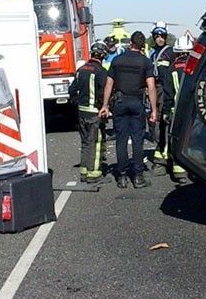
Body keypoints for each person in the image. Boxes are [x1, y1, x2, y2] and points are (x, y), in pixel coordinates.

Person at [99, 31, 158, 188]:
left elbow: (109, 85)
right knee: (138, 140)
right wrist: (154, 110)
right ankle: (138, 177)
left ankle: (122, 176)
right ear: (142, 46)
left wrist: (105, 105)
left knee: (121, 140)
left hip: (119, 102)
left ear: (130, 43)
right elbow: (151, 87)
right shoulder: (145, 62)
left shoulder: (117, 60)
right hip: (137, 102)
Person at [71, 41, 110, 184]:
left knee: (85, 142)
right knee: (96, 143)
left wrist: (79, 103)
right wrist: (104, 107)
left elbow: (71, 91)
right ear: (103, 55)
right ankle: (94, 175)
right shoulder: (101, 72)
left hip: (81, 113)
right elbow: (103, 93)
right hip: (95, 113)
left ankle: (84, 171)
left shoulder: (80, 70)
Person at [161, 35, 193, 184]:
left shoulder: (172, 69)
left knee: (175, 139)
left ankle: (178, 171)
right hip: (192, 113)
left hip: (175, 111)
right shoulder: (194, 68)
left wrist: (166, 112)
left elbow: (168, 94)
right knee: (190, 139)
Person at [148, 21, 175, 165]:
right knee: (155, 119)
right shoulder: (151, 53)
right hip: (155, 88)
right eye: (157, 36)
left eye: (162, 36)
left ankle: (166, 149)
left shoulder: (170, 52)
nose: (160, 39)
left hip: (166, 89)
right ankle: (160, 145)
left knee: (165, 119)